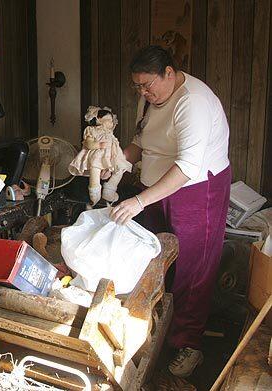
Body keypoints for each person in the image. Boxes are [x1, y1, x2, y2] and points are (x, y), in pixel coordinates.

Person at [109, 45, 231, 378]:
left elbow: (187, 167)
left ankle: (188, 345)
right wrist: (115, 162)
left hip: (195, 188)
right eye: (137, 86)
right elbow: (141, 142)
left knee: (193, 265)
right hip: (156, 188)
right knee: (158, 260)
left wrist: (139, 201)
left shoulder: (193, 103)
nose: (142, 91)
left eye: (147, 84)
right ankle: (156, 332)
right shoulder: (151, 96)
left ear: (169, 72)